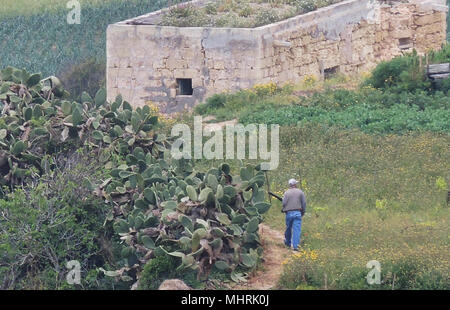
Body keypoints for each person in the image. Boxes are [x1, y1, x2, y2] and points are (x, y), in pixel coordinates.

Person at [282, 179, 306, 251]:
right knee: (296, 230)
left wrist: (283, 208)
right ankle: (295, 246)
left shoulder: (286, 193)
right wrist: (303, 212)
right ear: (295, 184)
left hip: (289, 213)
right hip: (297, 212)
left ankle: (288, 243)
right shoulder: (300, 192)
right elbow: (304, 203)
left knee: (288, 228)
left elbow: (284, 203)